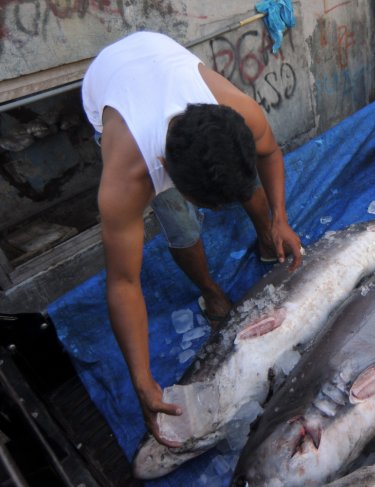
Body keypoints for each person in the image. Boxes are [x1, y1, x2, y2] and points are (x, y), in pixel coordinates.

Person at [81, 31, 302, 446]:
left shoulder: (240, 111)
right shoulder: (128, 178)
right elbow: (124, 283)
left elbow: (269, 153)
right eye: (207, 204)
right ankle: (210, 290)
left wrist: (281, 218)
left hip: (158, 49)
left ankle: (267, 236)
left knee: (241, 184)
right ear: (167, 170)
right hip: (108, 83)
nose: (216, 212)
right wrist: (143, 379)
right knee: (179, 222)